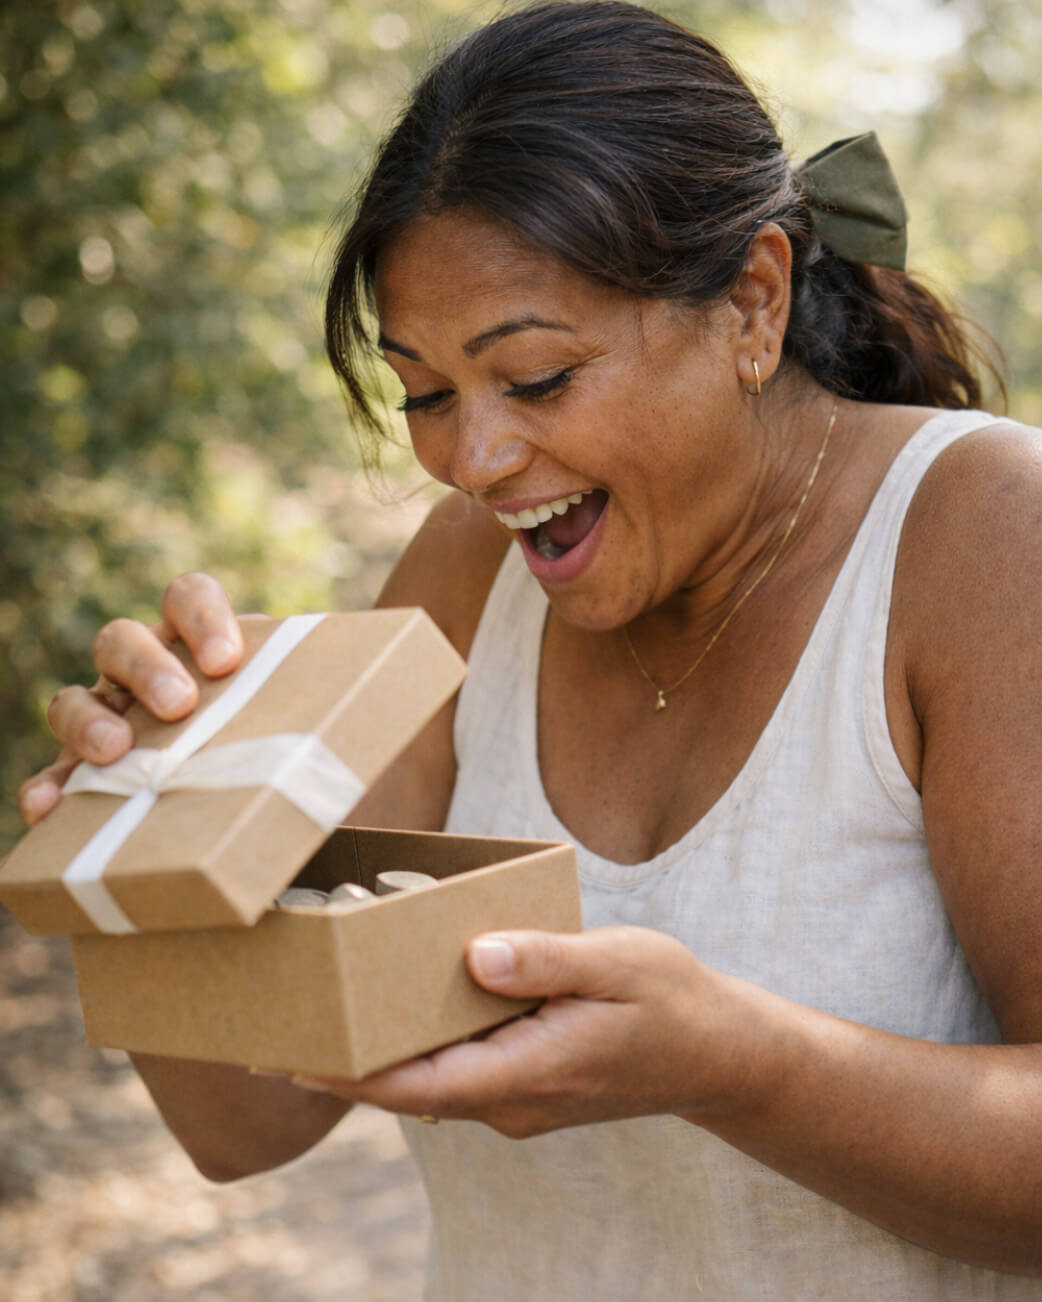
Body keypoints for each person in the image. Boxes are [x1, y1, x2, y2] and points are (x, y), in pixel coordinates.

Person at [18, 1, 1042, 1296]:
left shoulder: (988, 535)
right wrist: (143, 843)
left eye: (539, 378)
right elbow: (245, 1124)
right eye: (427, 394)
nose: (474, 461)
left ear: (752, 302)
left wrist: (735, 1061)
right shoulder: (467, 573)